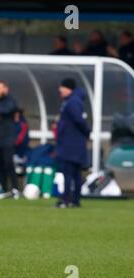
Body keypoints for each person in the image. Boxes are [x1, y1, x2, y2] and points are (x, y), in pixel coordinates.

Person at [55, 79, 91, 208]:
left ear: (67, 88)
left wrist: (87, 132)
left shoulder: (71, 102)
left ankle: (66, 199)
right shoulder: (75, 101)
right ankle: (75, 200)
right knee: (75, 173)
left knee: (69, 173)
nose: (60, 93)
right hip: (75, 143)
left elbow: (78, 120)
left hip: (70, 144)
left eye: (61, 90)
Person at [0, 80, 20, 200]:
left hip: (7, 139)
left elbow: (7, 110)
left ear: (5, 89)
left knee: (9, 163)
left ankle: (15, 189)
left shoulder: (10, 101)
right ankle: (4, 189)